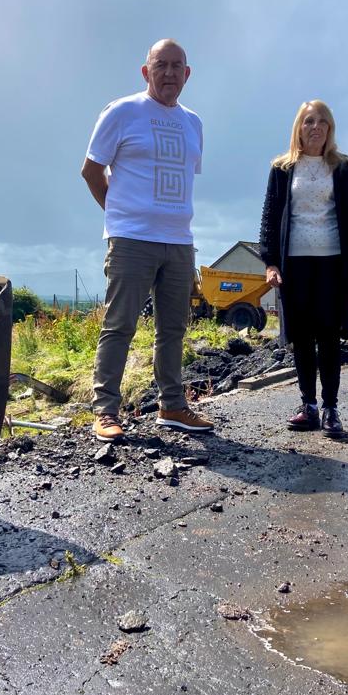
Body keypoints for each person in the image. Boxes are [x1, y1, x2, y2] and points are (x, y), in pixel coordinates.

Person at [81, 39, 214, 442]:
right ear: (146, 71)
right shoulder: (121, 112)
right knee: (119, 325)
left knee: (173, 329)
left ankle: (172, 406)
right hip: (132, 240)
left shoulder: (194, 123)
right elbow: (91, 171)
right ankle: (105, 411)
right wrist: (118, 217)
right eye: (161, 65)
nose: (169, 73)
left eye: (177, 66)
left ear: (187, 74)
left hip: (179, 242)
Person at [259, 100, 348, 437]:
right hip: (294, 265)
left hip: (332, 264)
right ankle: (308, 405)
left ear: (330, 128)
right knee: (302, 337)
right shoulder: (282, 168)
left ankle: (330, 408)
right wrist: (270, 262)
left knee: (328, 337)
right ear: (299, 127)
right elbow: (270, 218)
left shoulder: (341, 166)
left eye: (322, 122)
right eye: (309, 121)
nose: (315, 127)